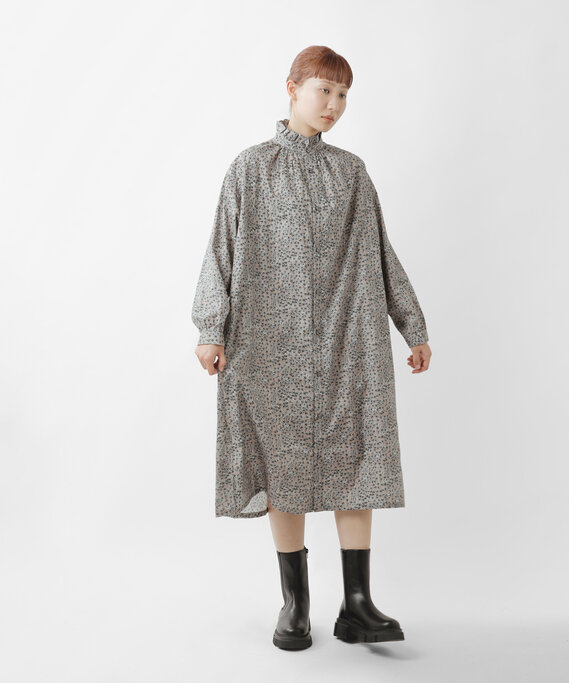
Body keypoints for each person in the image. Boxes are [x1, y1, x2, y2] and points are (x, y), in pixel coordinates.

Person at [191, 45, 432, 650]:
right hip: (269, 342)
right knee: (282, 460)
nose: (334, 104)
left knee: (359, 458)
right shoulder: (251, 168)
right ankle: (294, 603)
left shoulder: (352, 172)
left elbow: (380, 253)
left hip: (348, 339)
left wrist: (413, 325)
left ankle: (357, 604)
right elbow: (222, 247)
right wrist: (210, 327)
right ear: (292, 88)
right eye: (324, 90)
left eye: (343, 94)